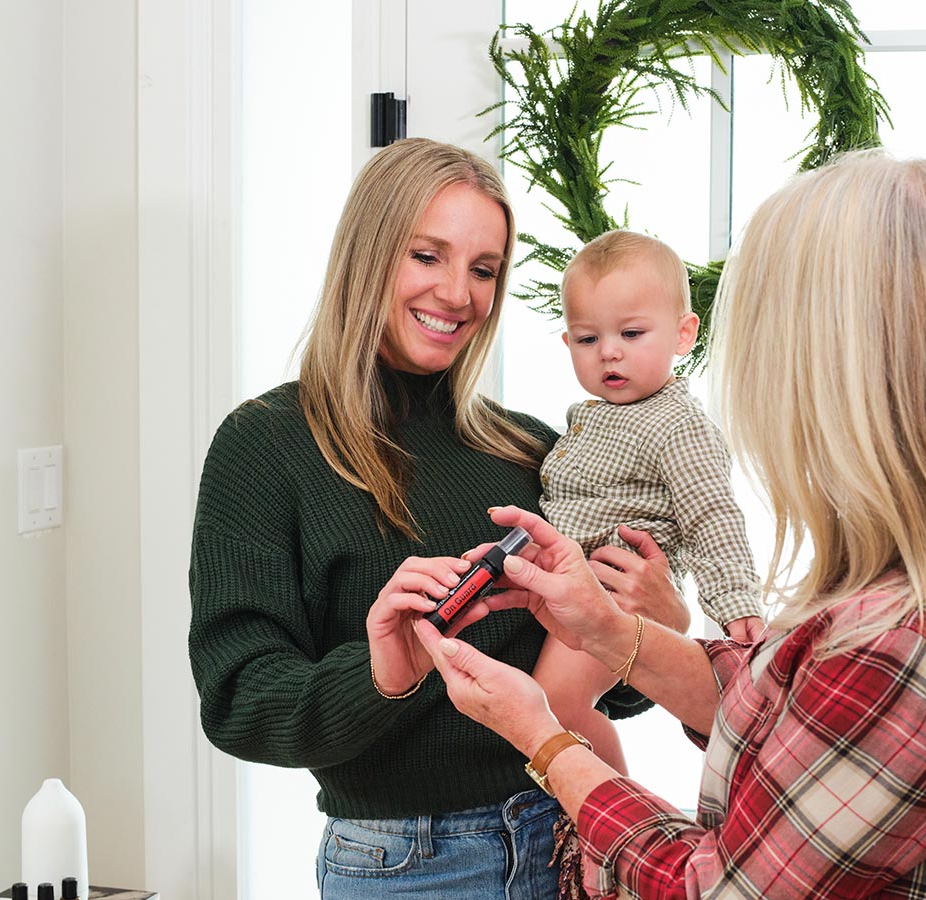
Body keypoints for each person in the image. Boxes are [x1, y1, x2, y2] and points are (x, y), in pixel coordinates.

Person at [412, 152, 926, 899]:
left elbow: (710, 891)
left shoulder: (905, 646)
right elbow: (802, 711)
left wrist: (546, 739)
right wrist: (612, 634)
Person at [186, 137, 686, 899]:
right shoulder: (264, 446)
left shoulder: (535, 448)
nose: (459, 293)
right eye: (428, 256)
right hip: (409, 868)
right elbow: (239, 702)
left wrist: (654, 619)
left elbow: (611, 696)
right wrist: (386, 670)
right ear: (369, 255)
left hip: (568, 833)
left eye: (484, 269)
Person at [532, 230, 765, 775]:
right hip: (570, 584)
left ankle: (603, 818)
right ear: (568, 344)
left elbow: (712, 516)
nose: (609, 351)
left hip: (614, 594)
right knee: (544, 700)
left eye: (631, 333)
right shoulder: (591, 415)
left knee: (555, 704)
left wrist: (736, 605)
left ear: (684, 335)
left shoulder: (678, 424)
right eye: (588, 340)